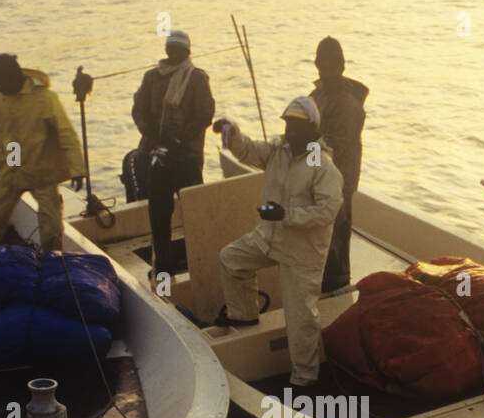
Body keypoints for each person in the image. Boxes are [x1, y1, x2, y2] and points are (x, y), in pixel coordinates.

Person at [215, 98, 343, 387]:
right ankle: (244, 313)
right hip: (269, 237)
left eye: (298, 126)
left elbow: (327, 210)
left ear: (313, 130)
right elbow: (247, 150)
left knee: (300, 320)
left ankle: (305, 380)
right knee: (231, 259)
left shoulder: (320, 163)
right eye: (288, 125)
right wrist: (230, 131)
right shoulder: (278, 151)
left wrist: (286, 215)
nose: (291, 132)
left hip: (302, 252)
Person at [0, 54, 84, 253]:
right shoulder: (0, 97)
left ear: (14, 79)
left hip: (40, 167)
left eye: (1, 84)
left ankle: (52, 260)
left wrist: (77, 169)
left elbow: (66, 133)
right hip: (12, 162)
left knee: (51, 223)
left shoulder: (45, 99)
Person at [131, 30, 215, 283]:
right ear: (166, 50)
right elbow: (139, 111)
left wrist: (178, 142)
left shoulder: (197, 78)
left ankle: (202, 265)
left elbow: (205, 115)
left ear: (188, 52)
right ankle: (164, 269)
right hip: (158, 155)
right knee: (158, 212)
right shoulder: (151, 77)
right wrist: (156, 141)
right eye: (171, 48)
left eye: (180, 49)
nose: (175, 53)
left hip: (186, 156)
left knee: (194, 213)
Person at [309, 37, 368, 294]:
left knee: (336, 233)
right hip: (317, 176)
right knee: (319, 234)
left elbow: (335, 145)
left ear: (342, 67)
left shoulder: (347, 103)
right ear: (317, 65)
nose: (328, 71)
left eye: (334, 66)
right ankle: (321, 280)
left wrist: (303, 152)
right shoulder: (317, 94)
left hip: (340, 178)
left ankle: (338, 286)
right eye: (324, 65)